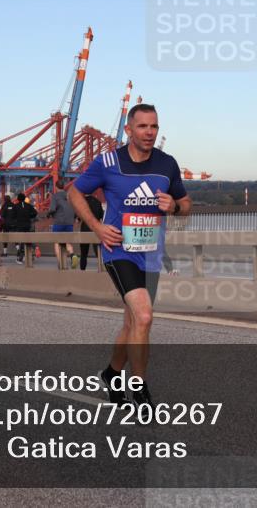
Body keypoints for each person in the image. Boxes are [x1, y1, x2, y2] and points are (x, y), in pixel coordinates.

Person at [71, 103, 190, 407]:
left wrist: (173, 207)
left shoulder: (167, 164)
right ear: (128, 130)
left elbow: (186, 205)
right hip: (119, 250)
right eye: (142, 126)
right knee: (145, 315)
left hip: (151, 254)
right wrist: (97, 227)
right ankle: (139, 386)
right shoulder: (108, 162)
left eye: (154, 127)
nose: (149, 133)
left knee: (133, 323)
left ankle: (112, 373)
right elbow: (74, 192)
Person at [47, 181, 76, 267]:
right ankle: (72, 255)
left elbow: (52, 209)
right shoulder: (69, 196)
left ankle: (61, 263)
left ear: (56, 187)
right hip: (69, 222)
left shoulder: (55, 196)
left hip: (59, 222)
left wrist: (49, 214)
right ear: (64, 187)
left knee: (57, 242)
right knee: (68, 242)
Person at [78, 192, 104, 271]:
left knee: (83, 253)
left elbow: (78, 218)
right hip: (96, 229)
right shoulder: (97, 202)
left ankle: (82, 270)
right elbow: (101, 216)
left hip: (85, 229)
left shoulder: (82, 202)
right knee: (98, 252)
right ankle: (101, 269)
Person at [12, 192, 38, 264]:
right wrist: (29, 217)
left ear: (18, 199)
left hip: (19, 226)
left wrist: (16, 220)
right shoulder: (28, 206)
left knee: (21, 242)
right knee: (27, 241)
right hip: (27, 225)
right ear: (24, 198)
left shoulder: (16, 206)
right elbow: (35, 213)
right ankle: (29, 256)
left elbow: (13, 215)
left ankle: (20, 258)